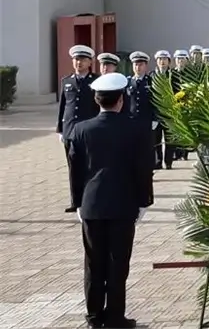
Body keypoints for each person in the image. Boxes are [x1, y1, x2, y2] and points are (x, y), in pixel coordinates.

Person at [68, 72, 154, 329]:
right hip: (123, 204)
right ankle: (116, 317)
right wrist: (144, 201)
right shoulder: (136, 129)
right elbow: (143, 168)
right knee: (118, 263)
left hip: (92, 204)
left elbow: (75, 170)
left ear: (97, 100)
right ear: (120, 100)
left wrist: (77, 203)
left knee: (94, 262)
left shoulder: (81, 129)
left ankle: (94, 316)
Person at [58, 45, 100, 213]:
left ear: (90, 62)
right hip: (70, 131)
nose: (78, 63)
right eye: (76, 60)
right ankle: (75, 201)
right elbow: (63, 107)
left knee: (90, 167)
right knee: (73, 167)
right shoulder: (66, 80)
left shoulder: (95, 81)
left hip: (88, 131)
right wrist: (60, 129)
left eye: (82, 60)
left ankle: (91, 199)